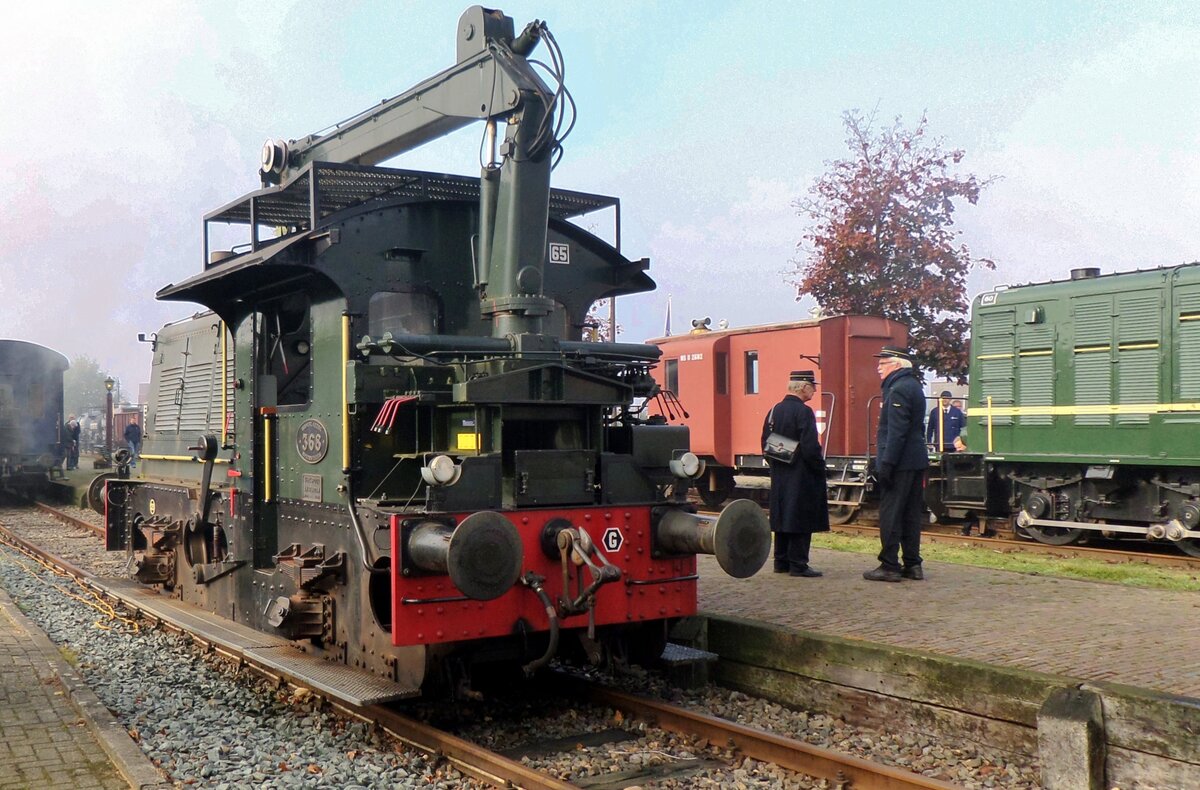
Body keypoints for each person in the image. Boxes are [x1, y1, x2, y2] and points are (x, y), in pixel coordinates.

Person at [864, 347, 930, 582]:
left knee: (891, 514)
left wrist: (887, 463)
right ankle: (913, 564)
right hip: (915, 460)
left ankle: (889, 565)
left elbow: (896, 432)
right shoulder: (914, 386)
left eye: (883, 363)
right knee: (911, 514)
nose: (878, 368)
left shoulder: (898, 388)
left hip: (900, 462)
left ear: (897, 364)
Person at [761, 370, 829, 578]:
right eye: (812, 387)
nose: (814, 391)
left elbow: (765, 442)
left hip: (779, 472)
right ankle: (799, 564)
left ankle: (780, 561)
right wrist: (819, 467)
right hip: (801, 473)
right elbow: (810, 446)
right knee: (800, 517)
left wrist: (777, 463)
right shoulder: (804, 412)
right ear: (803, 387)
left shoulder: (774, 410)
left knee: (782, 516)